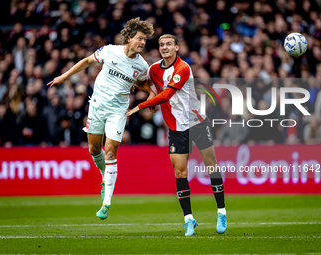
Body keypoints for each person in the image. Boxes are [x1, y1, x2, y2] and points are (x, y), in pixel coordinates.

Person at [48, 18, 155, 220]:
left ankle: (106, 203)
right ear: (130, 38)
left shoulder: (142, 65)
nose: (142, 43)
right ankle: (104, 177)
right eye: (140, 38)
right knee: (94, 150)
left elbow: (142, 83)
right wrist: (64, 76)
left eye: (145, 40)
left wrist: (151, 94)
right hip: (97, 106)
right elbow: (87, 61)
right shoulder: (110, 51)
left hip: (118, 111)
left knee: (111, 149)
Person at [126, 34, 227, 236]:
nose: (165, 47)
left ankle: (221, 212)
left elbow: (167, 94)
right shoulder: (153, 69)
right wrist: (151, 93)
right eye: (162, 44)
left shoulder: (183, 68)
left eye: (169, 44)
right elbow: (145, 83)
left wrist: (143, 105)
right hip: (175, 127)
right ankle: (188, 219)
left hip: (196, 123)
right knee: (180, 172)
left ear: (177, 48)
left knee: (211, 166)